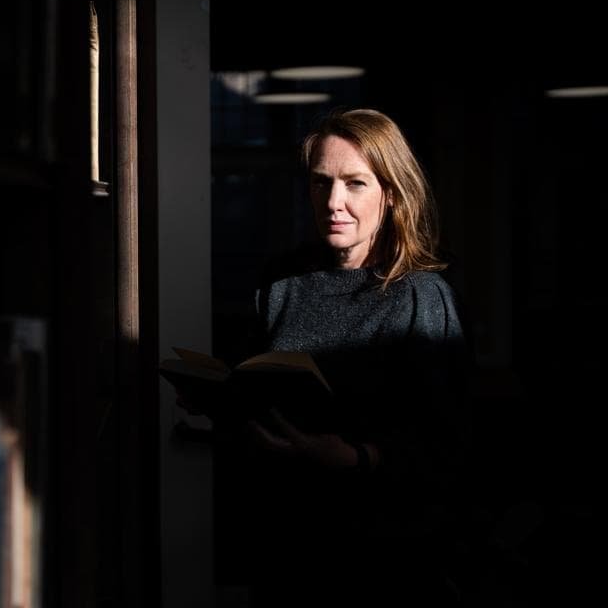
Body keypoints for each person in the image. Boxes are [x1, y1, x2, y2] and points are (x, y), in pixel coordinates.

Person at [181, 108, 472, 607]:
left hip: (384, 558)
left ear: (392, 192)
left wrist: (359, 457)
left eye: (355, 184)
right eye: (321, 184)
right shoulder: (282, 284)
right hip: (287, 547)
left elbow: (451, 446)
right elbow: (254, 390)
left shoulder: (421, 295)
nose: (333, 202)